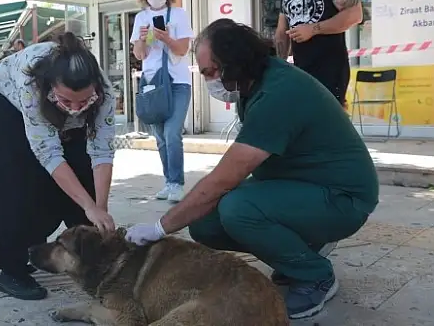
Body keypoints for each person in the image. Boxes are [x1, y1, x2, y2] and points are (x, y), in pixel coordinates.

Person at [125, 19, 379, 320]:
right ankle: (301, 251)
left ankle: (315, 275)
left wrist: (160, 227)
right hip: (305, 187)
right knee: (206, 223)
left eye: (210, 72)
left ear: (234, 63)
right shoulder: (255, 85)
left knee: (237, 208)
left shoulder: (278, 94)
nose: (208, 81)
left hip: (342, 198)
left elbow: (223, 180)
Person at [0, 32, 117, 301]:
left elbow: (101, 152)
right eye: (67, 101)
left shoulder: (105, 93)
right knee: (19, 182)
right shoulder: (31, 84)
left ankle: (89, 258)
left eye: (84, 102)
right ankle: (12, 269)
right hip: (10, 106)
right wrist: (90, 206)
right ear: (52, 87)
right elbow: (49, 154)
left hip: (57, 105)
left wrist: (98, 208)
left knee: (81, 175)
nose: (76, 109)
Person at [275, 0, 363, 108]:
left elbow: (355, 15)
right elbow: (281, 32)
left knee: (329, 126)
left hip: (330, 70)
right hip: (300, 72)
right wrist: (279, 65)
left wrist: (313, 28)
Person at [130, 0, 194, 203]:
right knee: (160, 137)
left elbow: (182, 49)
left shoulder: (178, 14)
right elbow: (140, 54)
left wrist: (166, 37)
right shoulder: (140, 18)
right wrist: (142, 38)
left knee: (172, 132)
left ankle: (177, 183)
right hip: (151, 83)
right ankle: (169, 182)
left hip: (177, 82)